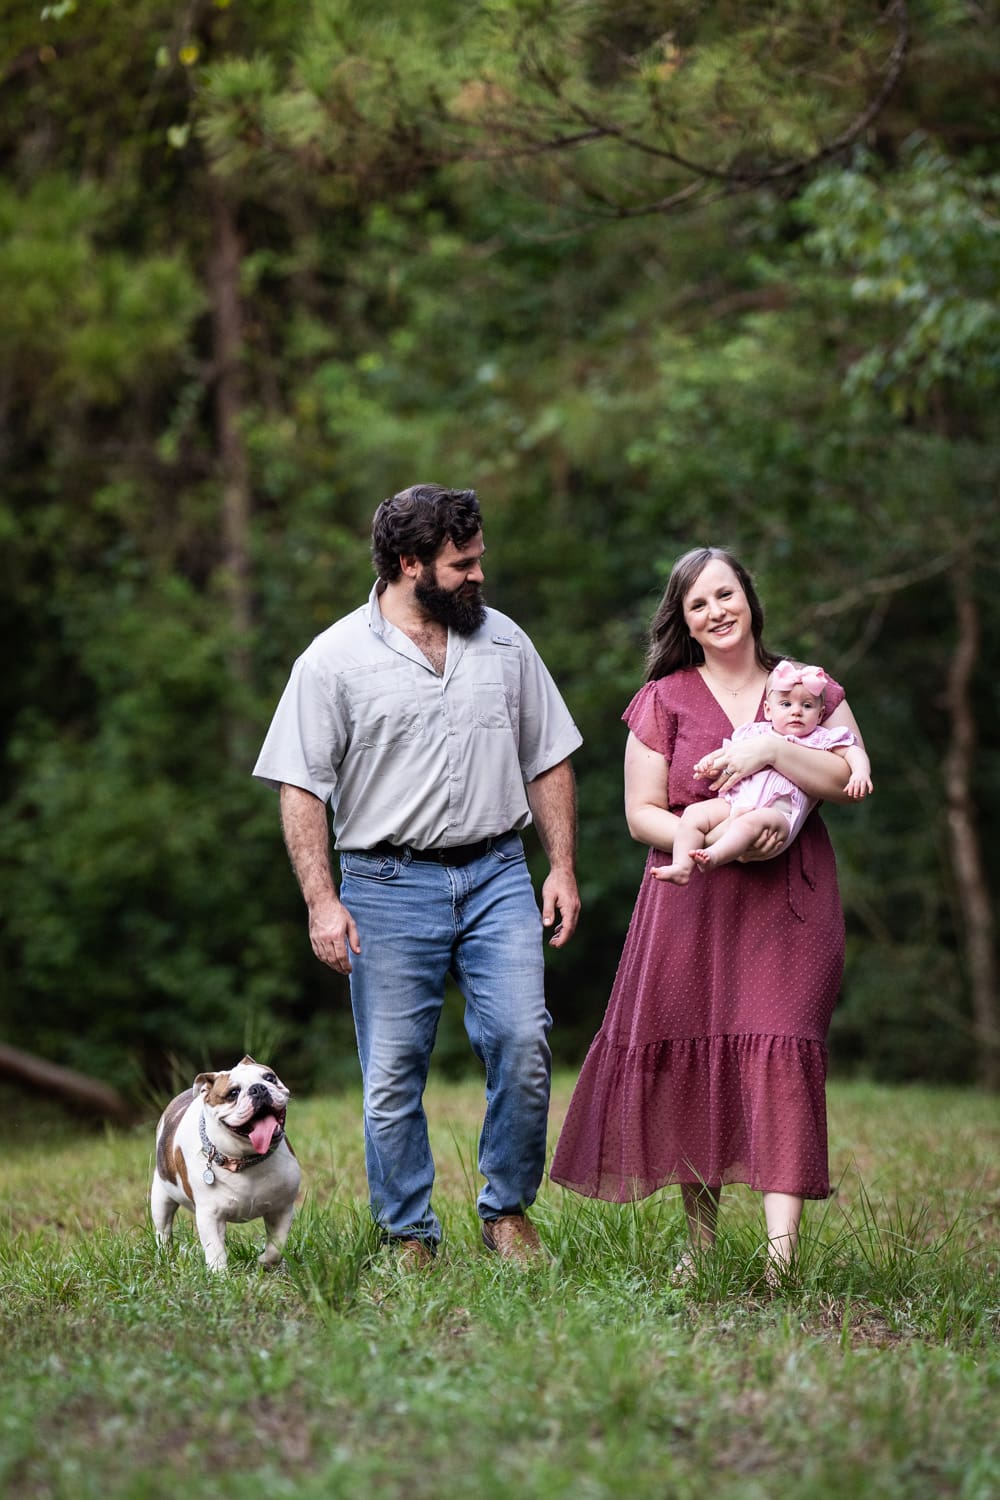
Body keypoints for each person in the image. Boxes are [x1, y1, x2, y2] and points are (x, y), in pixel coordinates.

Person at [253, 484, 582, 1267]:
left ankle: (507, 1212)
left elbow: (549, 756)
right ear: (409, 564)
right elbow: (300, 786)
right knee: (393, 1072)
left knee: (522, 1041)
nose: (477, 576)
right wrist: (321, 901)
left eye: (478, 560)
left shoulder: (505, 644)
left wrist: (561, 865)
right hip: (387, 886)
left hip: (500, 872)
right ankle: (409, 1232)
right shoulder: (332, 659)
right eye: (461, 564)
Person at [549, 546, 869, 1280]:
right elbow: (640, 815)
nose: (716, 611)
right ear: (684, 620)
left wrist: (768, 751)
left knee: (782, 1047)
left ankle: (780, 1261)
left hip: (790, 901)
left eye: (726, 594)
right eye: (698, 604)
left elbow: (848, 774)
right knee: (699, 1051)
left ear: (749, 600)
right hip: (690, 893)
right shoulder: (662, 698)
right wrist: (703, 838)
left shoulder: (803, 686)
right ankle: (700, 1246)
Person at [652, 658, 872, 885]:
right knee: (694, 814)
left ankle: (714, 855)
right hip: (736, 801)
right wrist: (709, 765)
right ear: (768, 709)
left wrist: (860, 773)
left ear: (820, 713)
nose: (796, 711)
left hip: (778, 810)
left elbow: (853, 752)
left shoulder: (820, 738)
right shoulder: (754, 732)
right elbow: (729, 757)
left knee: (749, 824)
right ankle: (681, 866)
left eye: (807, 706)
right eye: (786, 704)